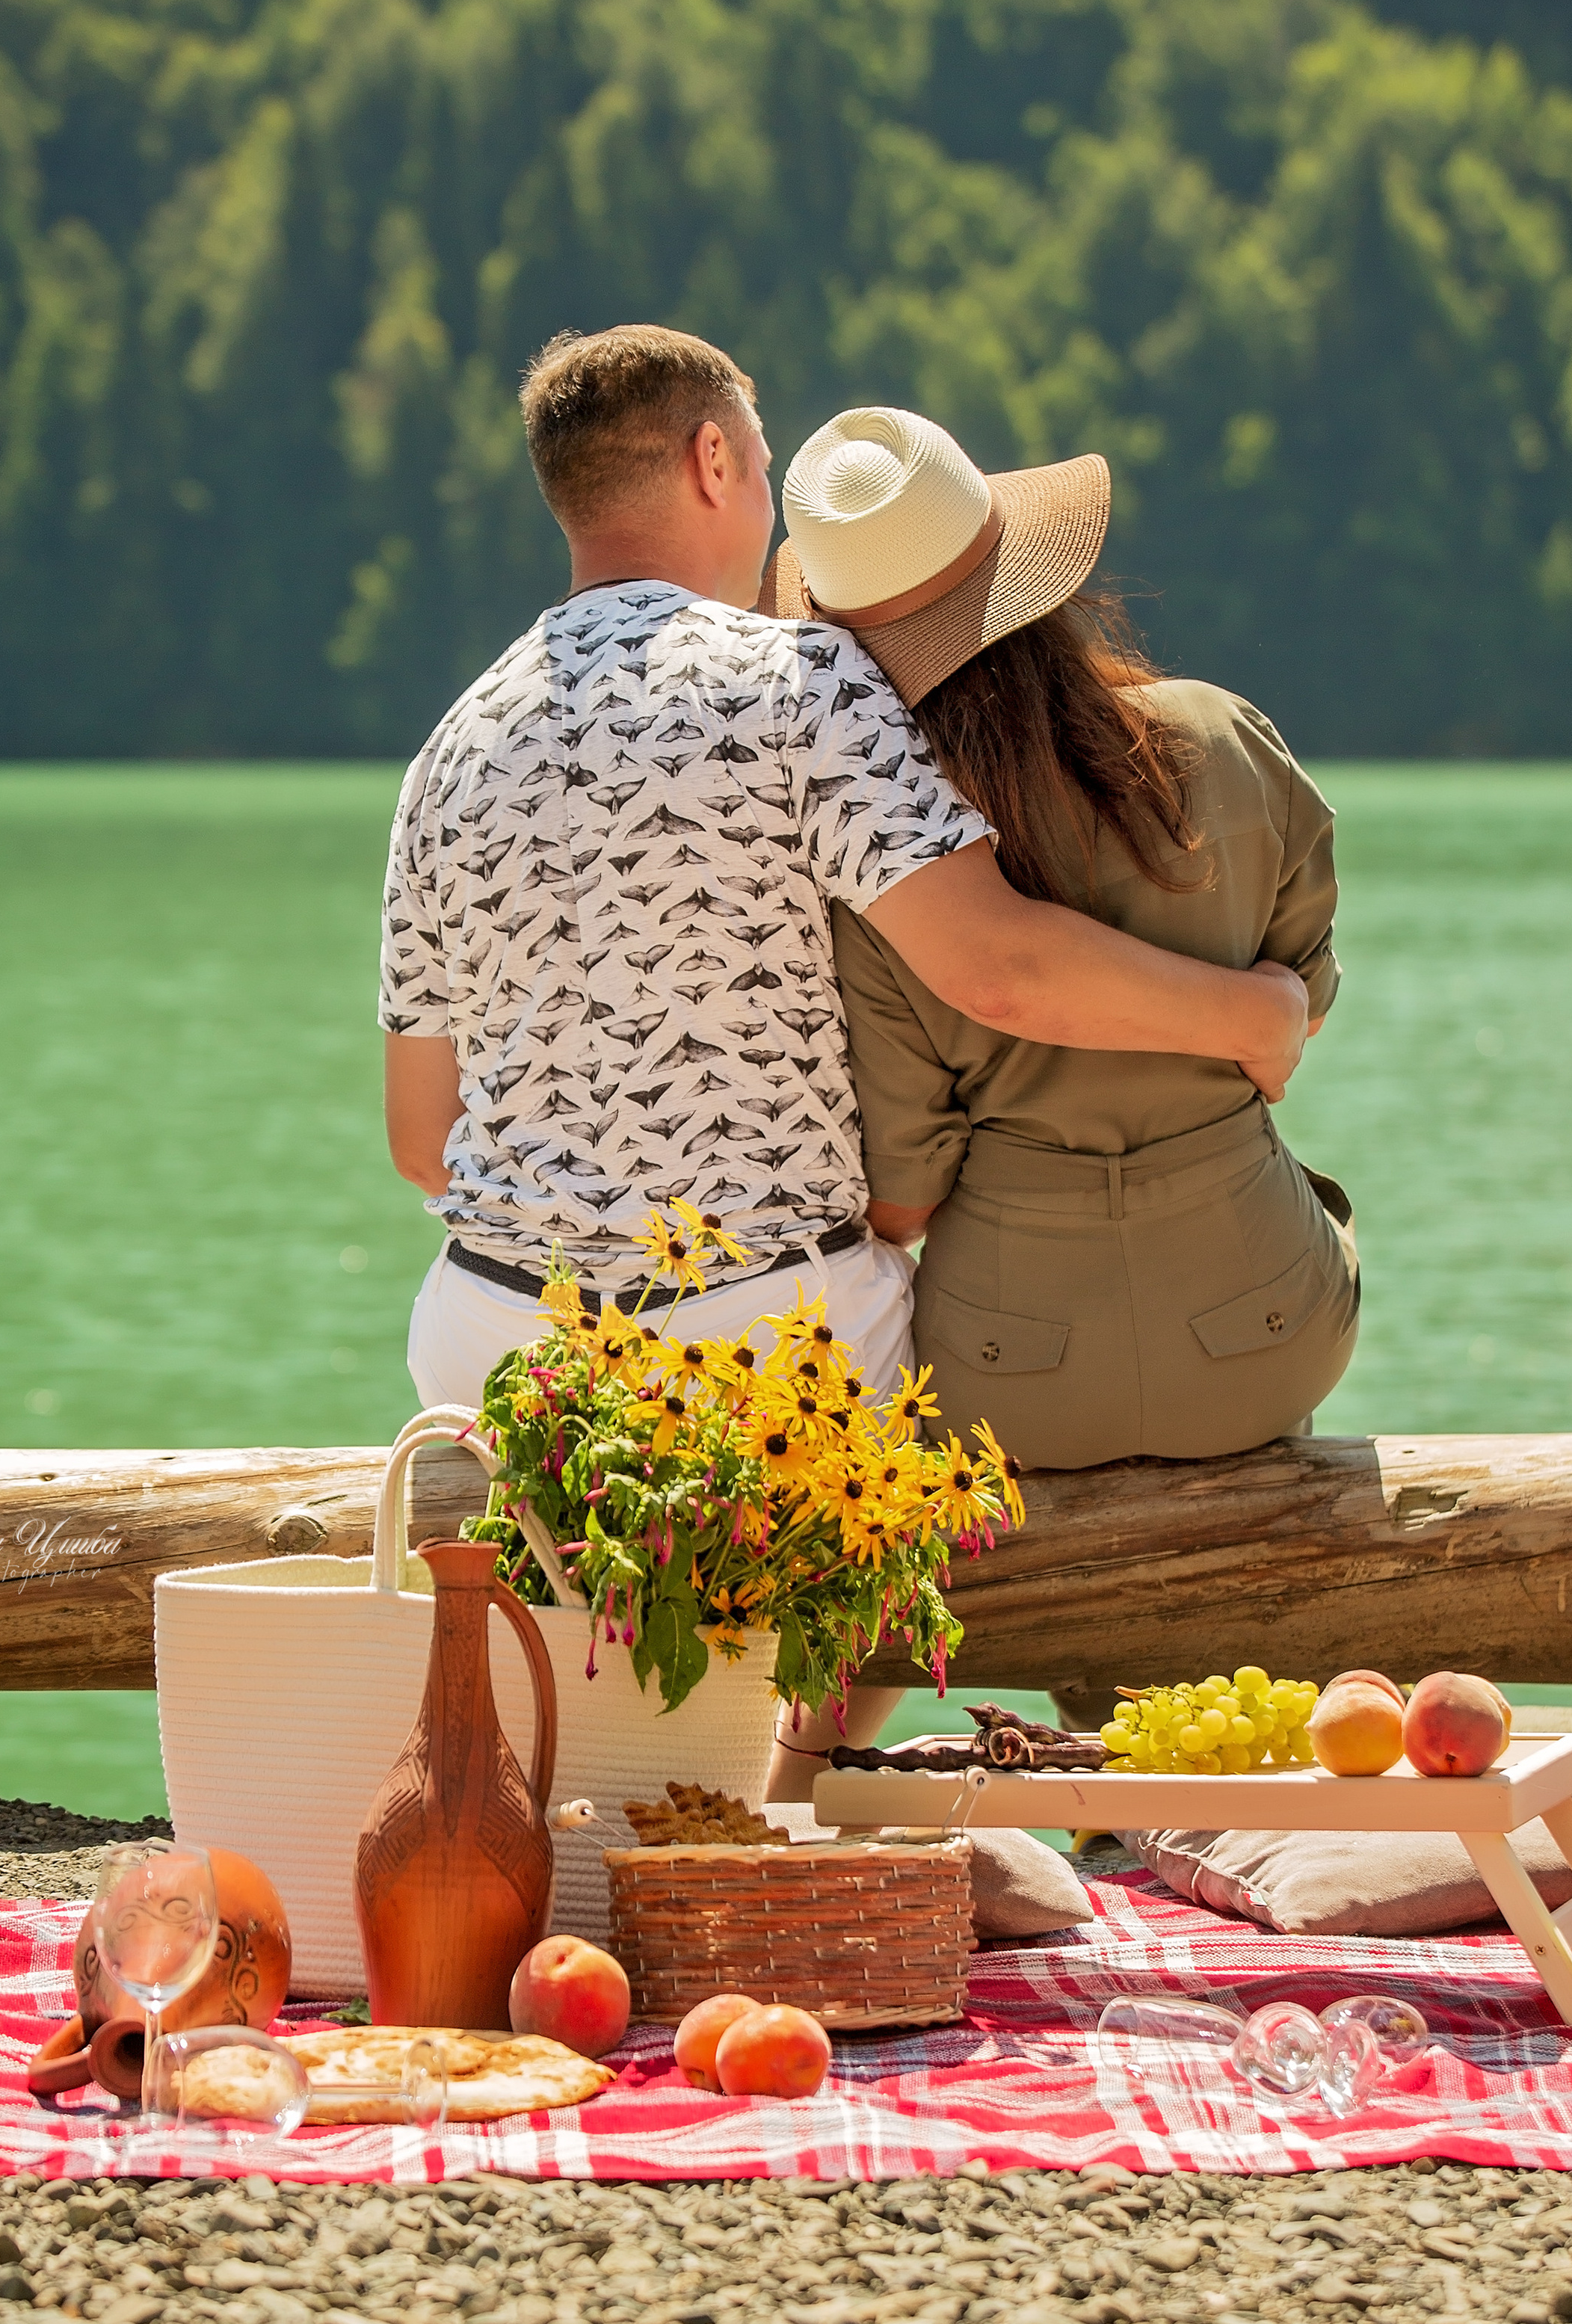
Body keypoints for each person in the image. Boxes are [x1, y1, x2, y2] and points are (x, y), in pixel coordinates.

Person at [379, 325, 1310, 1773]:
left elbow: (418, 1138)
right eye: (757, 464)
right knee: (924, 1372)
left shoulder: (448, 747)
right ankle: (791, 1802)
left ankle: (630, 1808)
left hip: (496, 1341)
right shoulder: (796, 680)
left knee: (591, 1754)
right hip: (755, 1339)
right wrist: (1244, 1017)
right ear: (713, 461)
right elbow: (993, 963)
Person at [771, 403, 1358, 1488]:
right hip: (1263, 1322)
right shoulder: (1227, 739)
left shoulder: (892, 877)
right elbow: (1303, 1005)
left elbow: (901, 1200)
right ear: (1039, 581)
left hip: (1013, 1370)